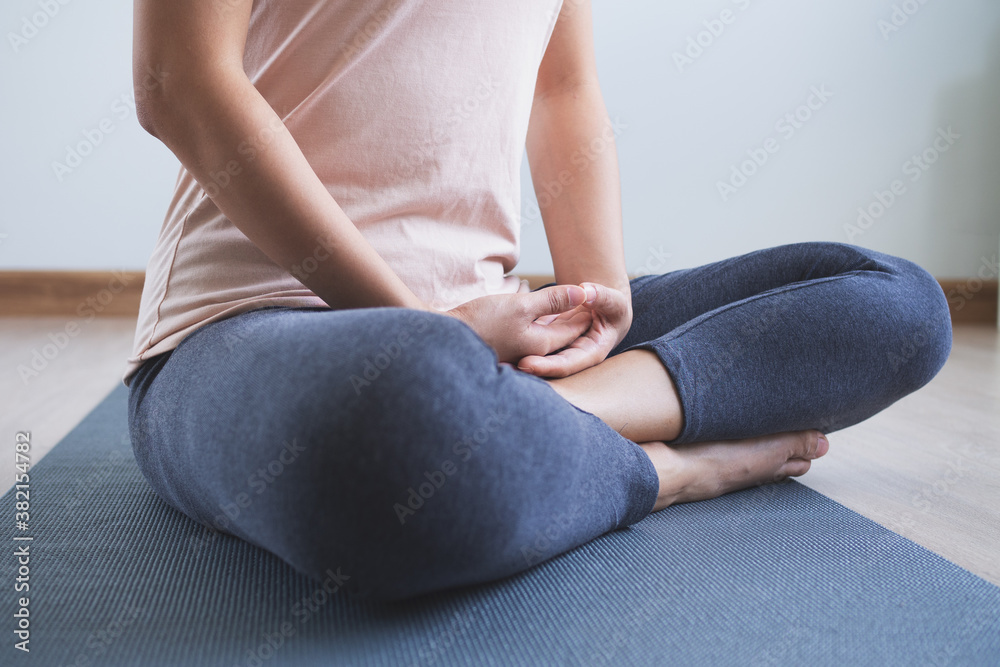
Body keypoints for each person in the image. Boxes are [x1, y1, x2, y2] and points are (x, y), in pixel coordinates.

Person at [125, 0, 952, 601]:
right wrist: (430, 330)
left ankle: (529, 411)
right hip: (248, 326)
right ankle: (658, 473)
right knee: (401, 423)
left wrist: (600, 303)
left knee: (897, 307)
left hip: (494, 327)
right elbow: (177, 81)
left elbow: (563, 88)